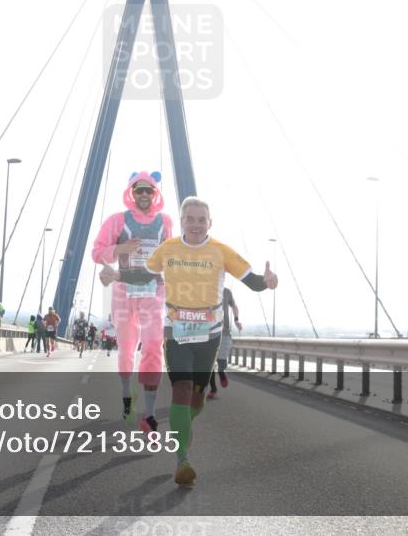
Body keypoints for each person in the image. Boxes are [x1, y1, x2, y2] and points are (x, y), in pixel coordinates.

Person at [100, 196, 277, 486]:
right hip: (176, 332)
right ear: (181, 222)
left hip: (210, 335)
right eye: (190, 219)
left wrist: (268, 281)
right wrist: (117, 273)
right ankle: (182, 459)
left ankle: (185, 421)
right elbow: (144, 274)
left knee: (196, 399)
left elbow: (253, 281)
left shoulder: (221, 251)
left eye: (201, 219)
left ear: (210, 223)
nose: (195, 225)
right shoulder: (167, 249)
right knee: (180, 390)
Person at [92, 171, 173, 433]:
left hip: (153, 291)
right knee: (127, 349)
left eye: (149, 190)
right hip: (123, 292)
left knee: (152, 346)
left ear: (155, 193)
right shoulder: (117, 221)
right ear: (131, 192)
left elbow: (170, 257)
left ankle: (148, 416)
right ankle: (127, 397)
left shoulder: (165, 222)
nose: (144, 194)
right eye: (139, 190)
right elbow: (96, 252)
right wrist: (120, 250)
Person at [208, 287, 241, 399]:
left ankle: (221, 371)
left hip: (224, 331)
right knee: (209, 363)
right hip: (207, 332)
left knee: (222, 360)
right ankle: (213, 389)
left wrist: (236, 320)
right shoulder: (204, 289)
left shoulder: (226, 291)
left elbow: (234, 306)